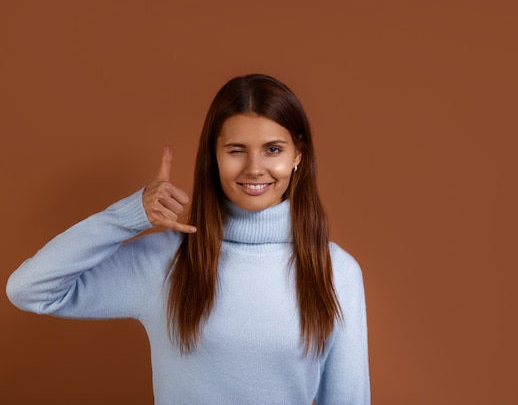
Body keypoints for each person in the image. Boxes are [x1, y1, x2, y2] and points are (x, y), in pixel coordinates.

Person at [6, 74, 370, 404]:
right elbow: (29, 289)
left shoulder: (336, 271)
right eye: (236, 150)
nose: (255, 168)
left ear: (298, 157)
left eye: (273, 149)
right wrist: (130, 216)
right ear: (213, 157)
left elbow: (348, 399)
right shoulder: (166, 260)